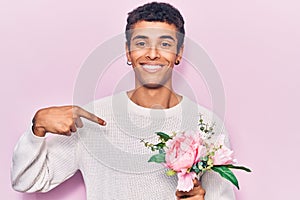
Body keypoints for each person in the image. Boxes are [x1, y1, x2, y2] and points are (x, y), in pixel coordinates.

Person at [11, 2, 236, 200]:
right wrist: (37, 127)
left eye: (165, 44)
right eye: (141, 43)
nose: (153, 54)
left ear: (179, 53)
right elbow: (26, 182)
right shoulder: (92, 119)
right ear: (128, 52)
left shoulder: (207, 124)